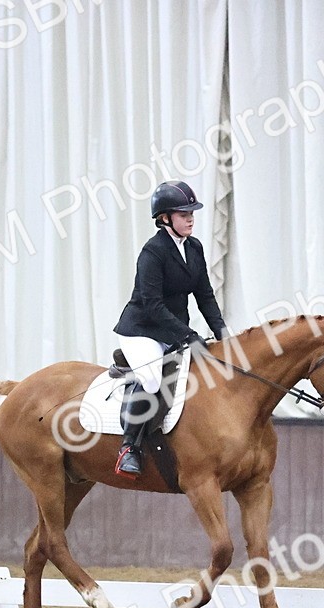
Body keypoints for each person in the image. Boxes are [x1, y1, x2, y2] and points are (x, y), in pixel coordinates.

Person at [112, 180, 228, 478]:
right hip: (142, 330)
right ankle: (129, 447)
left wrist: (222, 332)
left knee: (203, 372)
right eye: (183, 213)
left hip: (173, 330)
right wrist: (188, 336)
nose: (190, 218)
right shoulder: (153, 252)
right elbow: (152, 305)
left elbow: (204, 294)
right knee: (152, 381)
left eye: (192, 212)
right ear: (164, 218)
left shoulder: (194, 247)